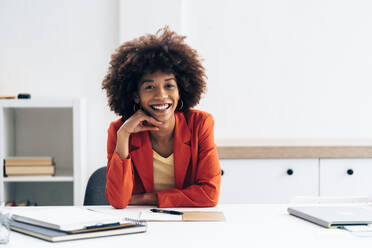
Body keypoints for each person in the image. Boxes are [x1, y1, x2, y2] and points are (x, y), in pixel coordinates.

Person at [102, 27, 221, 209]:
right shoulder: (119, 131)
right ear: (136, 96)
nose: (161, 95)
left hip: (188, 224)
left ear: (180, 91)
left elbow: (209, 195)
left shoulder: (200, 124)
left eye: (169, 86)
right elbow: (118, 201)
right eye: (150, 87)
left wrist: (147, 199)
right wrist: (124, 135)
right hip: (141, 224)